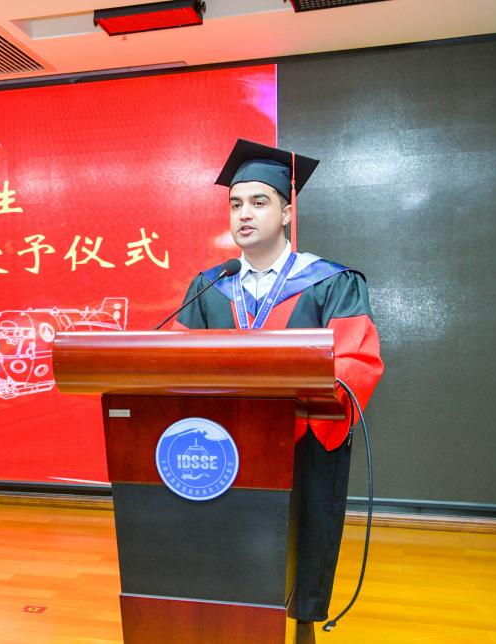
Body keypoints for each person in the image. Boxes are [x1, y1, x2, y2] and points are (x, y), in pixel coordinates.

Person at [174, 139, 385, 643]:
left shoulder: (330, 281)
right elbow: (175, 358)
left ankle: (303, 622)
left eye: (258, 202)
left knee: (304, 533)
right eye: (235, 204)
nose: (244, 214)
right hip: (225, 441)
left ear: (287, 213)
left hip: (302, 438)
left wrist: (301, 389)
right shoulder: (210, 285)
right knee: (226, 540)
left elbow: (357, 359)